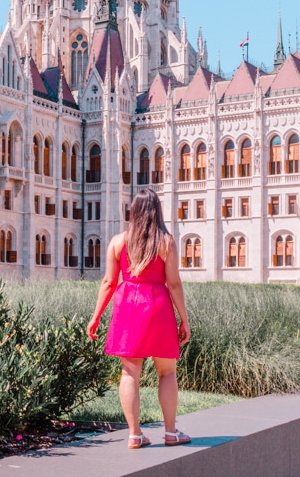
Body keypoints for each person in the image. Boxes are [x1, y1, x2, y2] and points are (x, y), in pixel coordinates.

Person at [87, 189, 192, 449]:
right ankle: (170, 433)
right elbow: (174, 283)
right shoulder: (166, 242)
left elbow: (109, 282)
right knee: (166, 372)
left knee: (129, 372)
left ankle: (135, 434)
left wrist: (95, 317)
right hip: (157, 305)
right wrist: (184, 319)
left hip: (128, 307)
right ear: (157, 211)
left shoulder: (118, 242)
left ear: (133, 211)